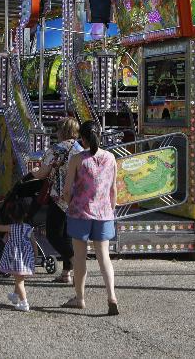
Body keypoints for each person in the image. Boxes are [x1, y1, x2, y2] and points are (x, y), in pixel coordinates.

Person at [61, 120, 119, 315]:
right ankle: (111, 296)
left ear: (83, 139)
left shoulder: (77, 159)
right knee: (104, 258)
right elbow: (113, 189)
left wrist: (67, 201)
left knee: (80, 258)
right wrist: (111, 209)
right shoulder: (111, 158)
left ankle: (80, 298)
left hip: (80, 213)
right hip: (104, 214)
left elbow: (67, 189)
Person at [30, 117, 82, 283]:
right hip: (76, 197)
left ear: (62, 131)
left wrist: (33, 172)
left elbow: (42, 173)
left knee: (53, 234)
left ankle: (74, 260)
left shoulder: (56, 149)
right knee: (67, 234)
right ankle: (67, 272)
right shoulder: (80, 148)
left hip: (58, 196)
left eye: (58, 129)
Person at [0, 194, 38, 312]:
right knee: (19, 277)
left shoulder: (11, 228)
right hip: (26, 259)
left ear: (10, 215)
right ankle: (15, 296)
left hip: (16, 258)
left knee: (19, 281)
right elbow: (34, 244)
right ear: (25, 214)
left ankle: (24, 303)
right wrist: (35, 255)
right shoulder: (29, 228)